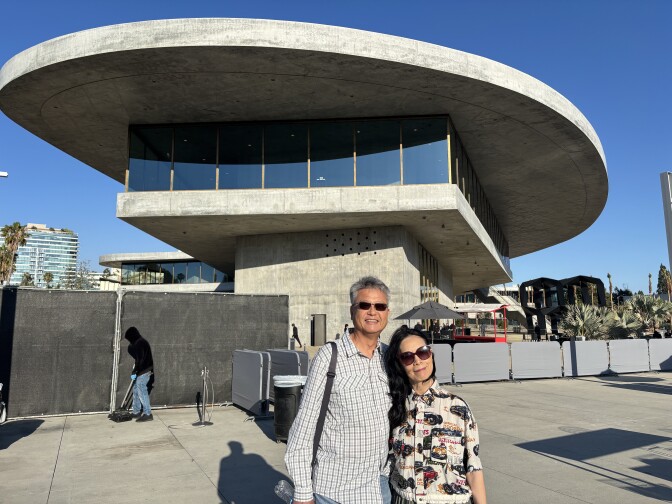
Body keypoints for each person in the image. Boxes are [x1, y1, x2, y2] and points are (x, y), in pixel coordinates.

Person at [285, 276, 393, 504]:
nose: (372, 312)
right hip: (335, 491)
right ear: (352, 310)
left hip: (379, 487)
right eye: (365, 305)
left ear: (387, 312)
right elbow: (303, 429)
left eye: (380, 306)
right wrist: (303, 494)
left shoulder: (389, 357)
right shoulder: (329, 357)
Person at [385, 326, 486, 504]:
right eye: (407, 357)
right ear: (399, 364)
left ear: (431, 355)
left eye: (422, 352)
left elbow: (473, 467)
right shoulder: (395, 407)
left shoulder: (457, 407)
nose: (417, 361)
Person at [124, 326, 154, 422]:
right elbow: (138, 359)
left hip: (144, 371)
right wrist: (136, 370)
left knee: (141, 390)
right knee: (136, 390)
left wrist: (135, 371)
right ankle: (136, 411)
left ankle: (148, 414)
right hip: (142, 370)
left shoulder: (140, 343)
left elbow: (140, 359)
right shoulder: (139, 342)